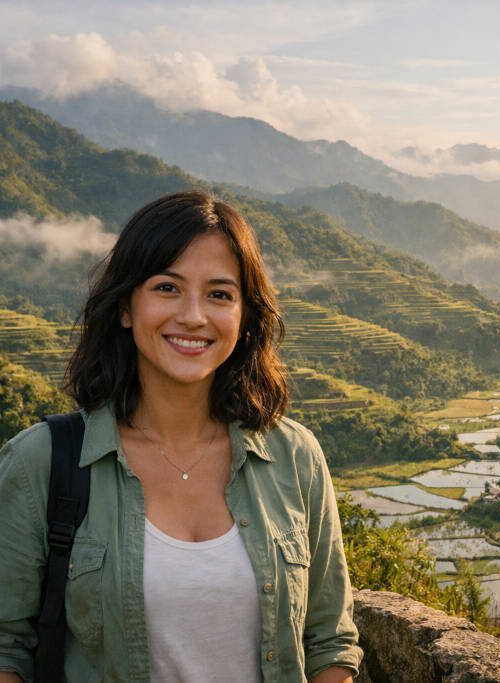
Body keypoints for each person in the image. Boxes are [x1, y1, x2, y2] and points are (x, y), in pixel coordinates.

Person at [0, 192, 362, 682]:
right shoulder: (41, 462)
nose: (193, 315)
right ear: (126, 307)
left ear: (244, 318)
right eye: (167, 287)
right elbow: (7, 648)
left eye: (219, 294)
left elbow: (329, 642)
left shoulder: (294, 457)